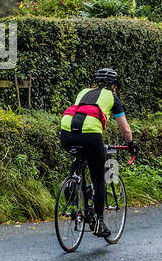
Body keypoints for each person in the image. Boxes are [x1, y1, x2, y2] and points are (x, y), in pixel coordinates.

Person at [59, 67, 138, 237]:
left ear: (95, 81)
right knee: (99, 177)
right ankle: (100, 223)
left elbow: (81, 113)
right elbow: (125, 128)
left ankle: (73, 187)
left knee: (79, 157)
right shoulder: (112, 97)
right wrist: (131, 144)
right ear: (114, 85)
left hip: (66, 131)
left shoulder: (83, 92)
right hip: (90, 135)